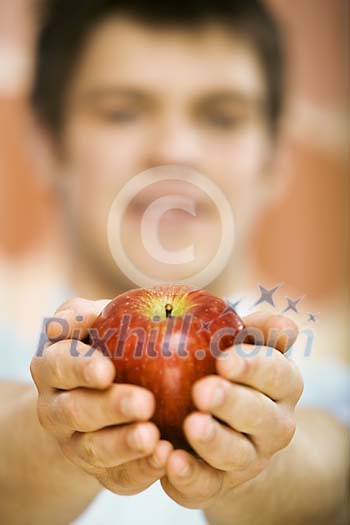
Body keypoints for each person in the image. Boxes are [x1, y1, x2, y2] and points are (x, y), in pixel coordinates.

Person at [0, 1, 348, 524]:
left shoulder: (333, 402)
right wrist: (56, 432)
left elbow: (329, 474)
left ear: (276, 158)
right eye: (122, 111)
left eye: (221, 116)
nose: (175, 149)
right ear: (48, 145)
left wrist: (263, 457)